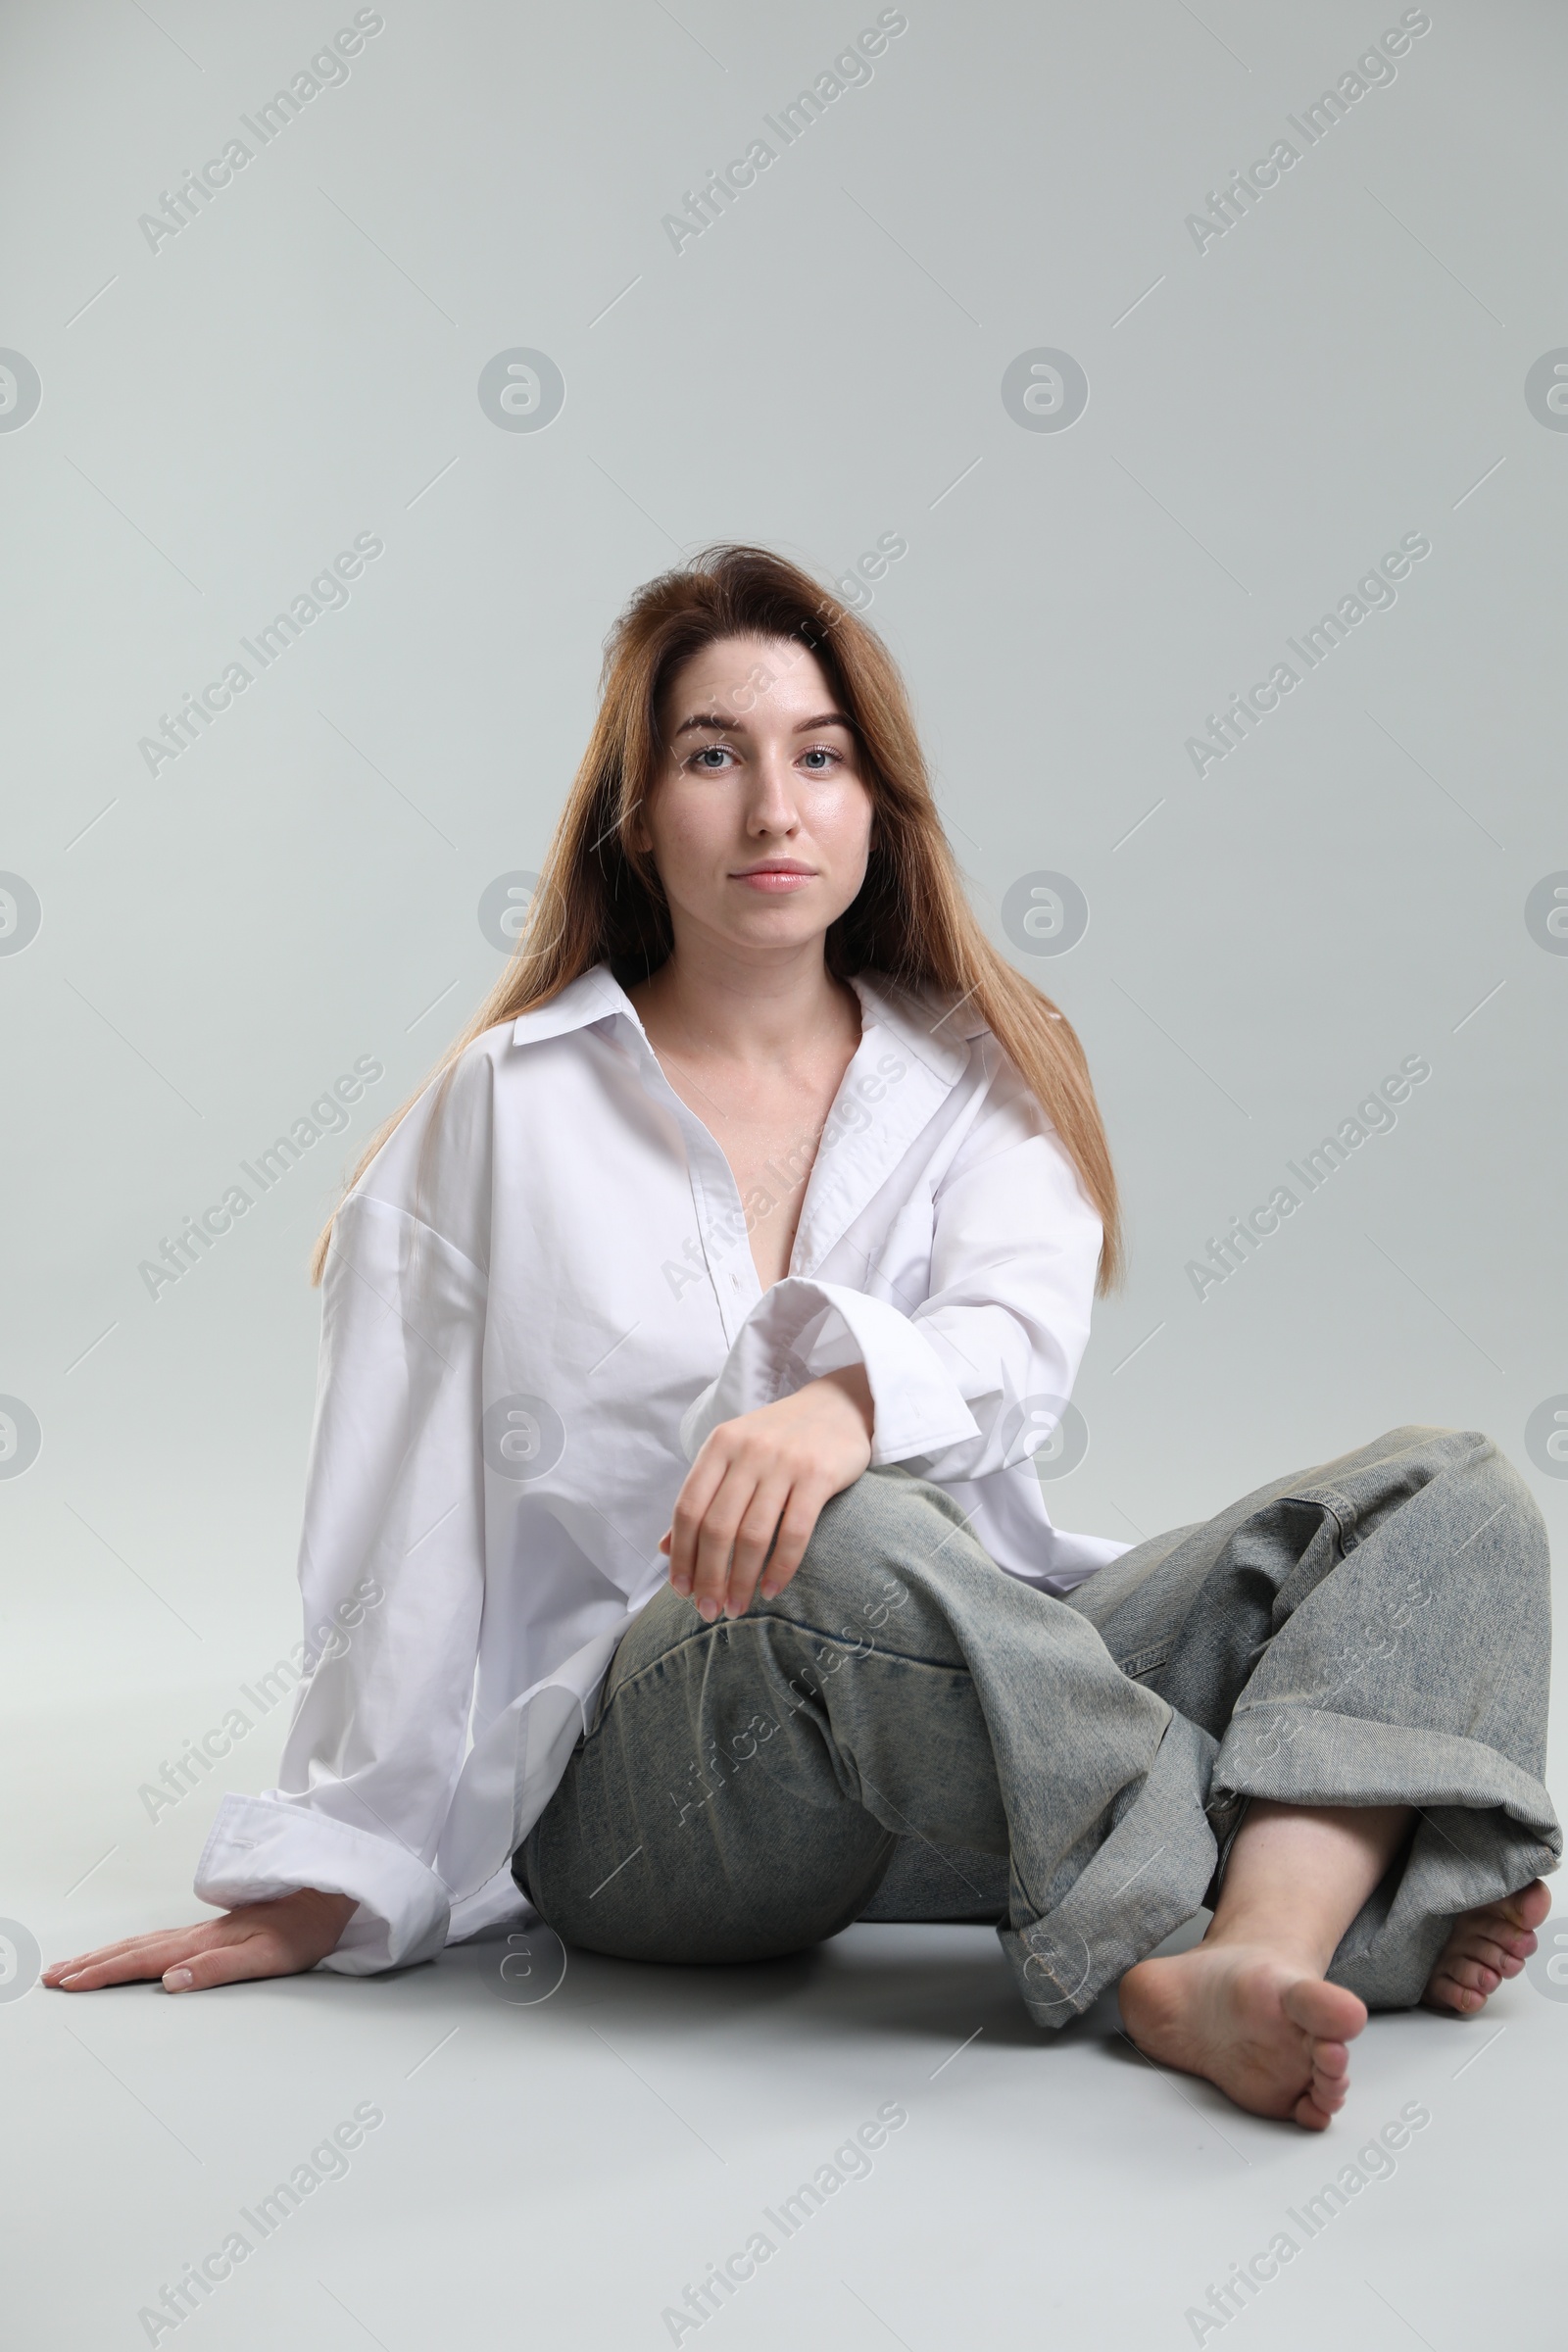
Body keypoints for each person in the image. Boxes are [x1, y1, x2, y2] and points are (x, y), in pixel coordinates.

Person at [46, 545, 1557, 2131]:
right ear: (638, 810)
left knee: (1445, 1494)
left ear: (875, 805)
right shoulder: (502, 1109)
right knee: (820, 1544)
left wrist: (841, 1405)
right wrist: (344, 1867)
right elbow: (397, 1514)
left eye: (821, 758)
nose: (774, 807)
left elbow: (1014, 1339)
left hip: (967, 1714)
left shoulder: (987, 1074)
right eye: (715, 755)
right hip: (653, 1794)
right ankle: (1344, 1856)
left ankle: (1242, 1955)